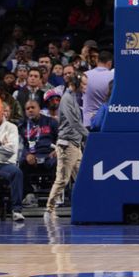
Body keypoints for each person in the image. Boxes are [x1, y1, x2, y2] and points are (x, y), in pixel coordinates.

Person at [45, 82, 86, 217]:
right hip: (66, 145)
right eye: (84, 84)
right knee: (62, 179)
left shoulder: (74, 102)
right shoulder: (66, 100)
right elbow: (74, 123)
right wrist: (89, 135)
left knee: (82, 178)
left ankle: (84, 206)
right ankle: (49, 209)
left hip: (76, 145)